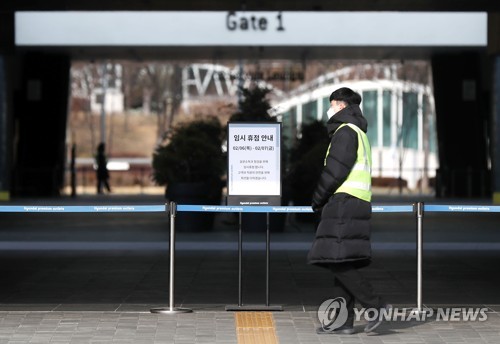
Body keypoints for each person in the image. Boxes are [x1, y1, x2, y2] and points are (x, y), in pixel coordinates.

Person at [307, 87, 390, 335]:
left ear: (341, 106)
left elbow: (336, 171)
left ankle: (376, 306)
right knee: (340, 259)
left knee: (337, 261)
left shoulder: (345, 132)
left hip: (344, 202)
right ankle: (343, 321)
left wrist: (317, 199)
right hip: (356, 202)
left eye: (332, 104)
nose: (330, 109)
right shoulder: (358, 132)